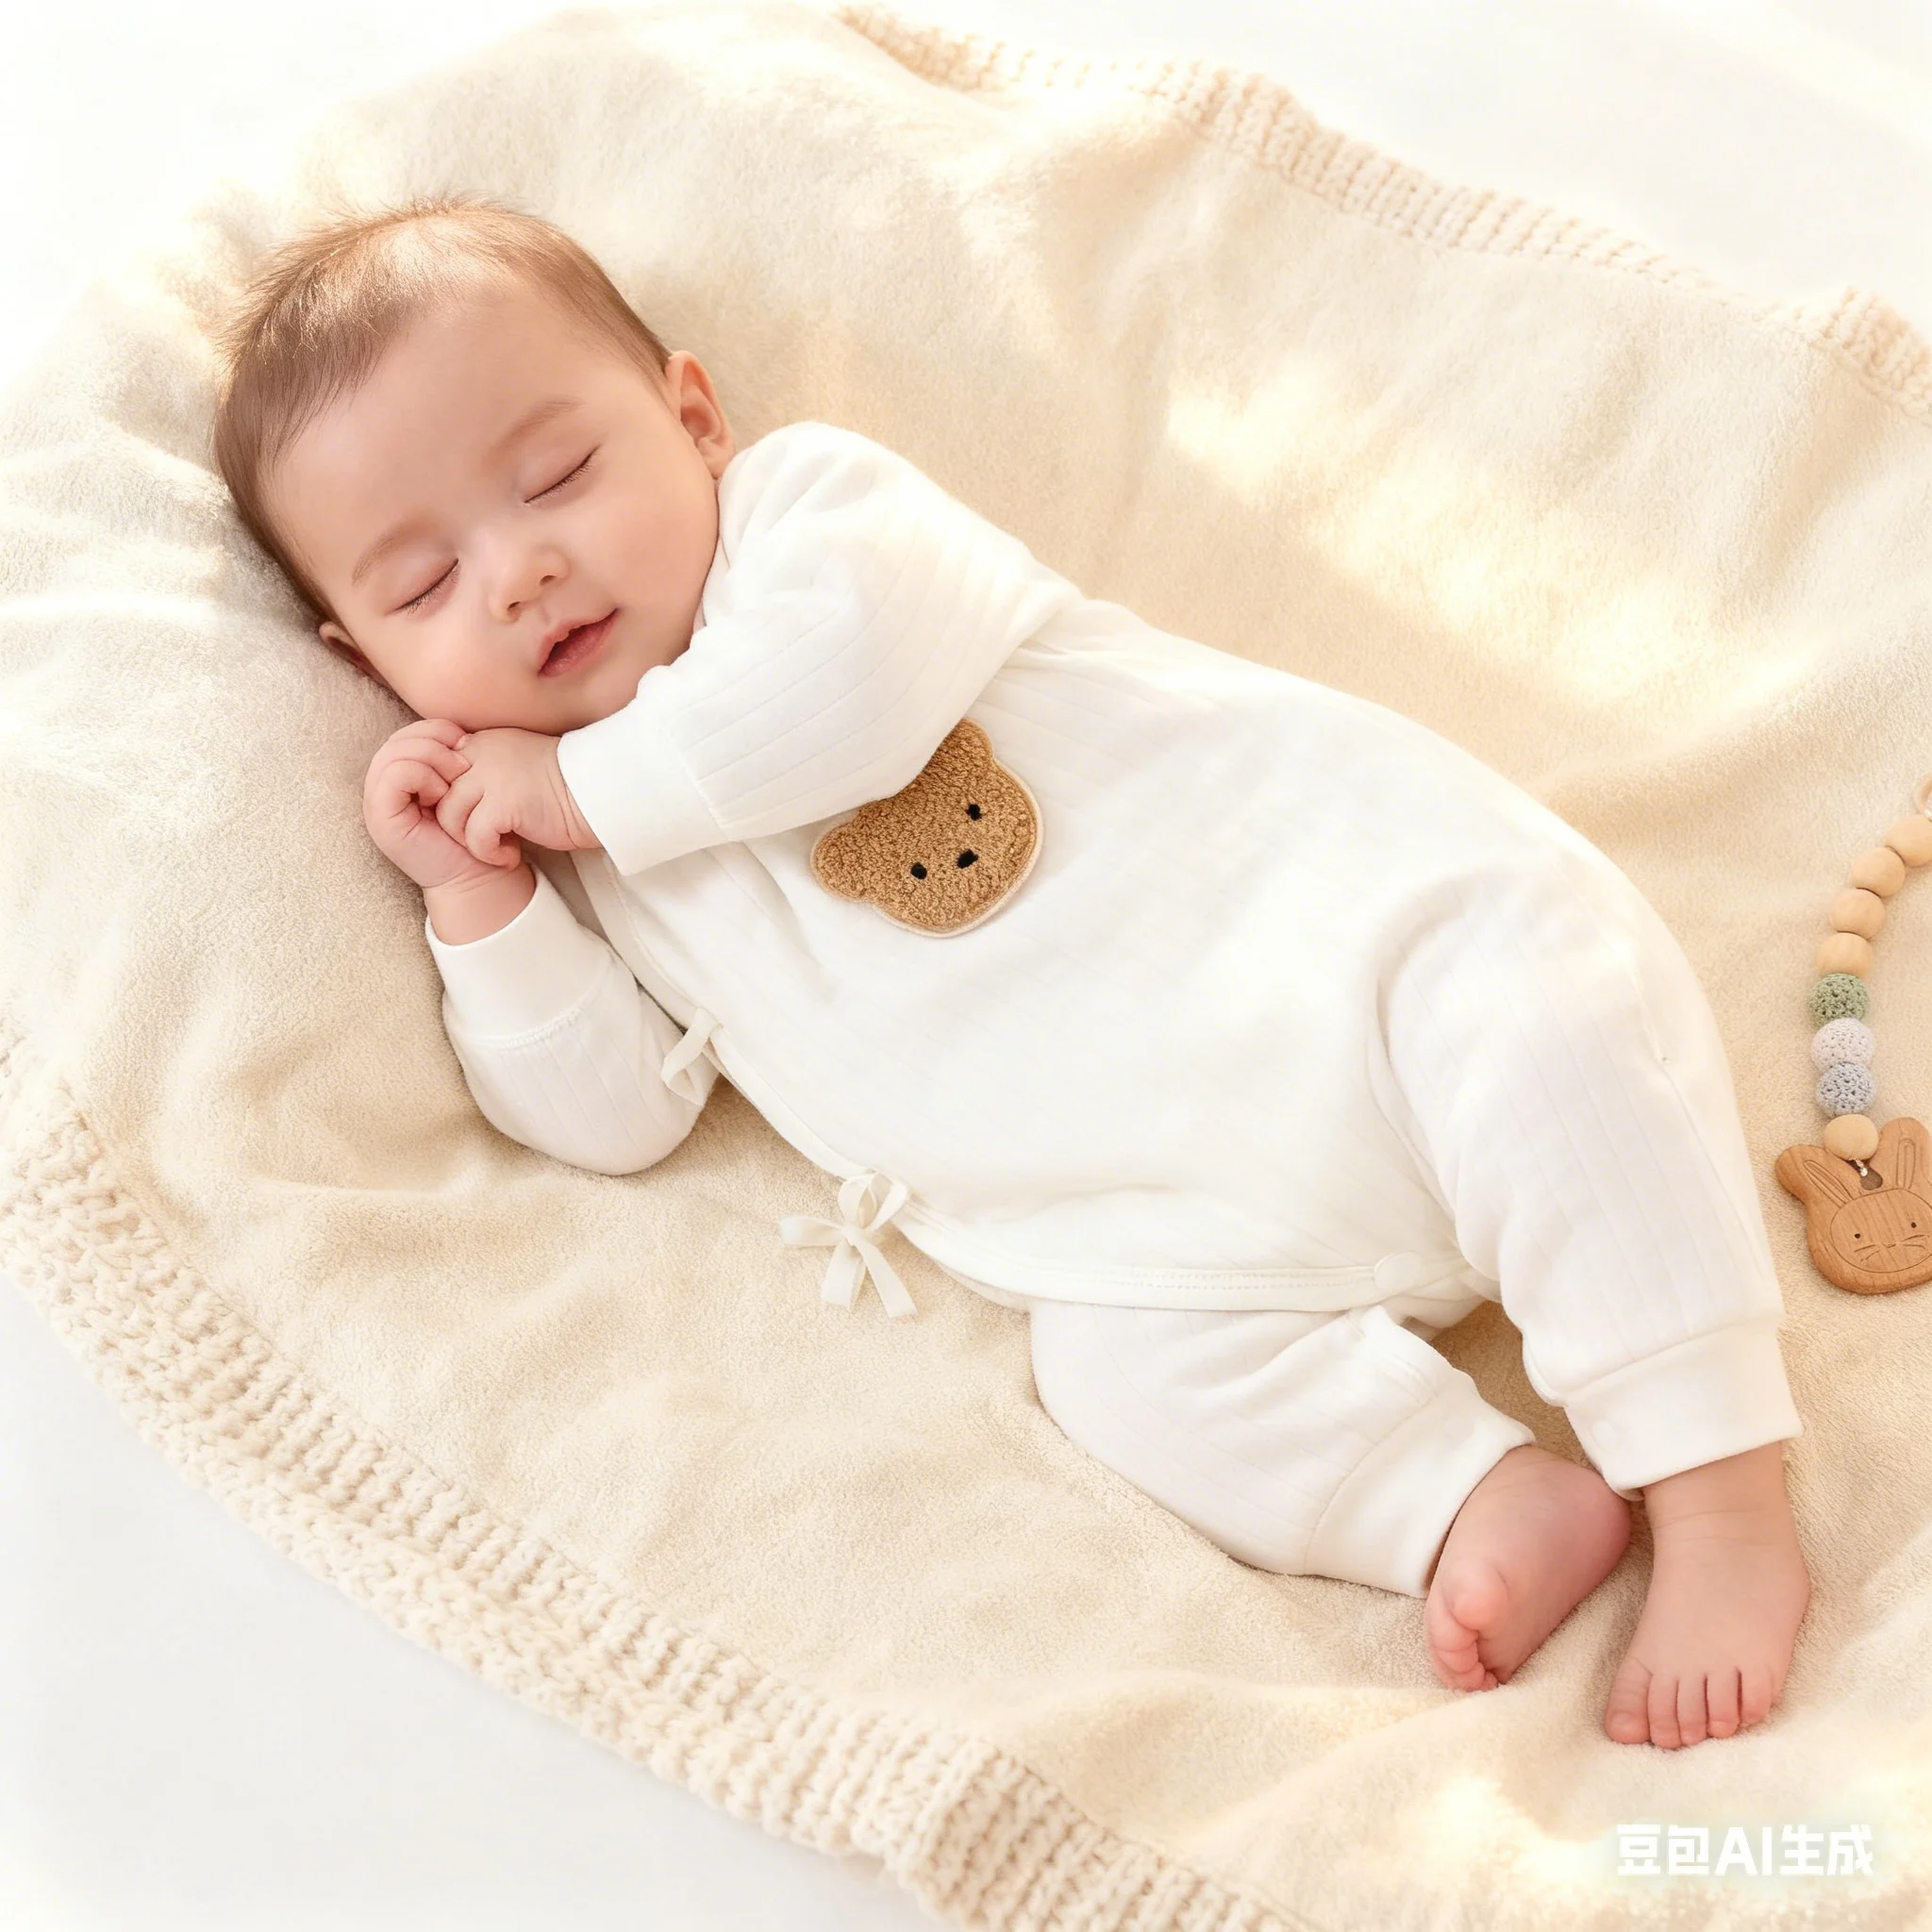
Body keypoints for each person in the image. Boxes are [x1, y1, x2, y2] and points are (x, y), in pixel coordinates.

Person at [211, 195, 1812, 1750]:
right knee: (1114, 1375)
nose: (517, 573)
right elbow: (615, 1118)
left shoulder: (815, 529)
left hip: (1369, 958)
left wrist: (579, 789)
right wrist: (481, 901)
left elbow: (843, 698)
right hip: (1170, 1226)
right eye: (421, 586)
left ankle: (1720, 1499)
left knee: (1551, 1042)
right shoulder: (579, 858)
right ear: (368, 662)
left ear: (693, 419)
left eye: (557, 475)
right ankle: (1460, 1497)